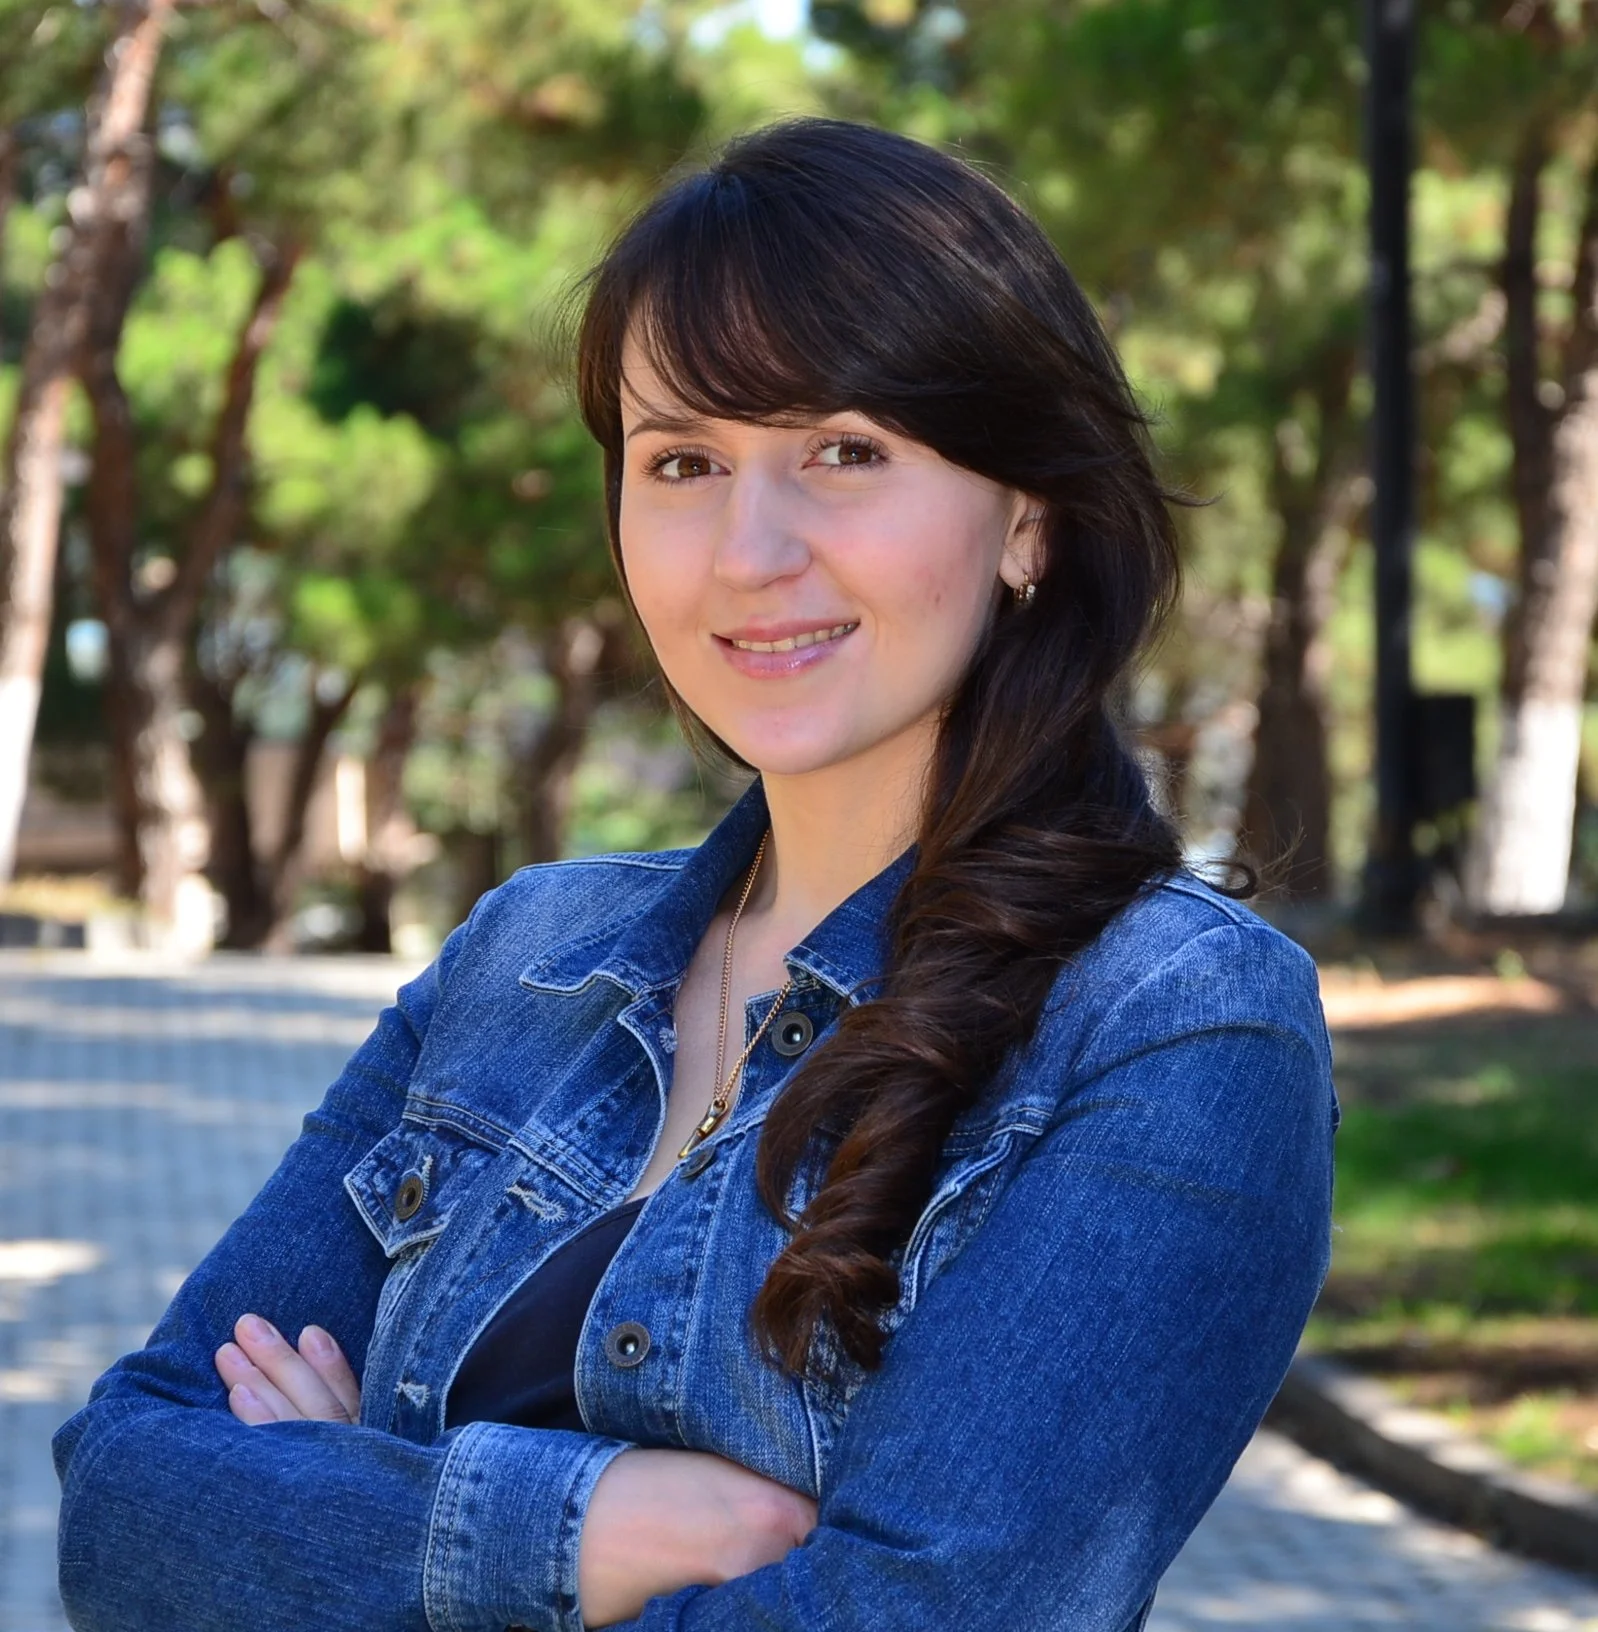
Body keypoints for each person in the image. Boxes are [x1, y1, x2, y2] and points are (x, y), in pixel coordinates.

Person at [53, 117, 1337, 1632]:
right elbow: (121, 1505)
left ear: (1028, 516)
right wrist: (597, 1528)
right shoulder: (525, 954)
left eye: (844, 452)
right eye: (682, 461)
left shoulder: (1175, 1023)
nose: (747, 550)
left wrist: (328, 1514)